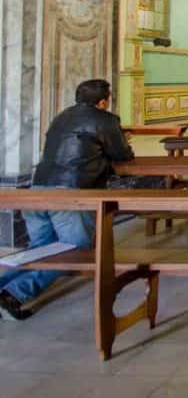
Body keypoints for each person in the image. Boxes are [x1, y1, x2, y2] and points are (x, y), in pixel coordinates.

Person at [0, 79, 134, 321]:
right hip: (69, 194)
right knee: (76, 250)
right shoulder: (105, 119)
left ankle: (3, 286)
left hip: (37, 188)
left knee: (40, 249)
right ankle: (12, 293)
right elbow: (121, 154)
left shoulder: (62, 116)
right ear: (103, 102)